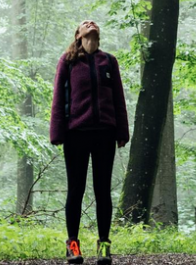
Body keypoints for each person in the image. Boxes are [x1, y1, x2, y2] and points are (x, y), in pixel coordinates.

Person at [50, 20, 130, 265]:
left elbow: (118, 97)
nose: (92, 41)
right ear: (79, 38)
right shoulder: (68, 61)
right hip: (76, 134)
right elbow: (58, 97)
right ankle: (72, 244)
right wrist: (57, 132)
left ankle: (104, 245)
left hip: (104, 133)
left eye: (95, 37)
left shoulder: (109, 61)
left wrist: (122, 131)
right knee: (76, 190)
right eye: (88, 37)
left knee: (102, 190)